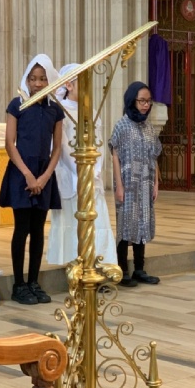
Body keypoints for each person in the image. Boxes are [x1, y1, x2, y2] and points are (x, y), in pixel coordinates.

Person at [0, 54, 64, 305]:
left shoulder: (55, 110)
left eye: (43, 79)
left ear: (50, 80)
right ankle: (19, 285)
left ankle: (34, 282)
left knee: (38, 231)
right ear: (27, 79)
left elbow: (57, 148)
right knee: (22, 228)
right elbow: (9, 143)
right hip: (21, 172)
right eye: (33, 79)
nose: (37, 84)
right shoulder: (17, 104)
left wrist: (44, 177)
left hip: (44, 174)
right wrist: (27, 174)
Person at [47, 64, 117, 266]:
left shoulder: (92, 111)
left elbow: (99, 144)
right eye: (82, 83)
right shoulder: (60, 111)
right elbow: (61, 146)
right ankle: (72, 263)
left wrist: (94, 170)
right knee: (71, 219)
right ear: (68, 85)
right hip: (70, 174)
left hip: (92, 175)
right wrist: (79, 171)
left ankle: (100, 263)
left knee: (97, 220)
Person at [108, 81, 162, 287]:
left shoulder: (149, 127)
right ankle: (122, 270)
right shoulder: (122, 126)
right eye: (142, 101)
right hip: (127, 182)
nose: (146, 105)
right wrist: (119, 186)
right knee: (126, 224)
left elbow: (154, 156)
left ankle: (139, 269)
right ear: (132, 101)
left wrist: (156, 183)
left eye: (149, 101)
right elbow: (114, 155)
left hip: (146, 182)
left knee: (143, 222)